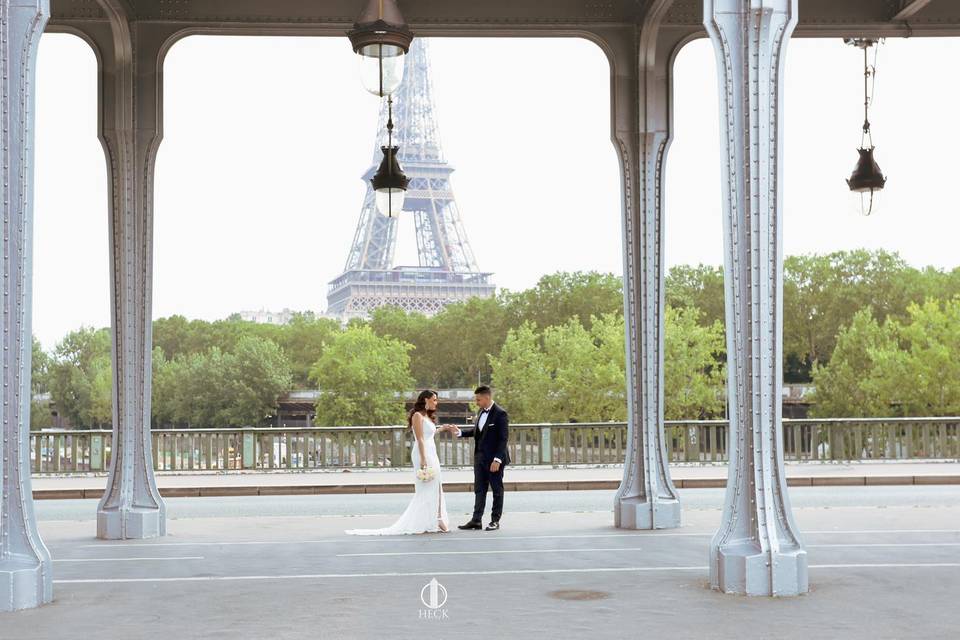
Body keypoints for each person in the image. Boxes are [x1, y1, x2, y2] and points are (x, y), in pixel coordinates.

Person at [345, 390, 450, 535]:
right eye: (434, 400)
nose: (436, 403)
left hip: (432, 452)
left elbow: (428, 434)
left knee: (437, 485)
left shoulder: (427, 416)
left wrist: (442, 429)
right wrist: (423, 459)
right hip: (423, 453)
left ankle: (436, 518)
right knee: (425, 487)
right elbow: (420, 438)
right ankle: (429, 519)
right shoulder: (417, 416)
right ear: (426, 400)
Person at [442, 385, 510, 531]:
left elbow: (503, 439)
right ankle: (476, 520)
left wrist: (497, 459)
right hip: (479, 458)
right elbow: (478, 432)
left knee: (497, 490)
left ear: (487, 397)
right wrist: (460, 433)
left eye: (478, 400)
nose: (477, 402)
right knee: (479, 489)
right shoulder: (480, 411)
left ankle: (495, 521)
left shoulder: (500, 414)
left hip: (494, 461)